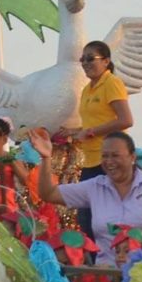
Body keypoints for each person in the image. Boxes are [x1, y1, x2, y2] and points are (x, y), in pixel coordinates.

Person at [32, 131, 142, 254]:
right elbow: (48, 194)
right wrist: (46, 158)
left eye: (115, 155)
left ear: (132, 157)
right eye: (105, 156)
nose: (109, 161)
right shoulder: (94, 187)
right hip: (106, 277)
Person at [55, 40, 135, 244]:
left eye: (91, 58)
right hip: (90, 161)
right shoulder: (86, 90)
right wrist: (74, 131)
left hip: (110, 162)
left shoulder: (111, 83)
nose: (85, 63)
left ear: (106, 61)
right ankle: (96, 270)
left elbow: (126, 120)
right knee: (87, 221)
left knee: (107, 221)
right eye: (83, 59)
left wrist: (90, 132)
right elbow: (96, 122)